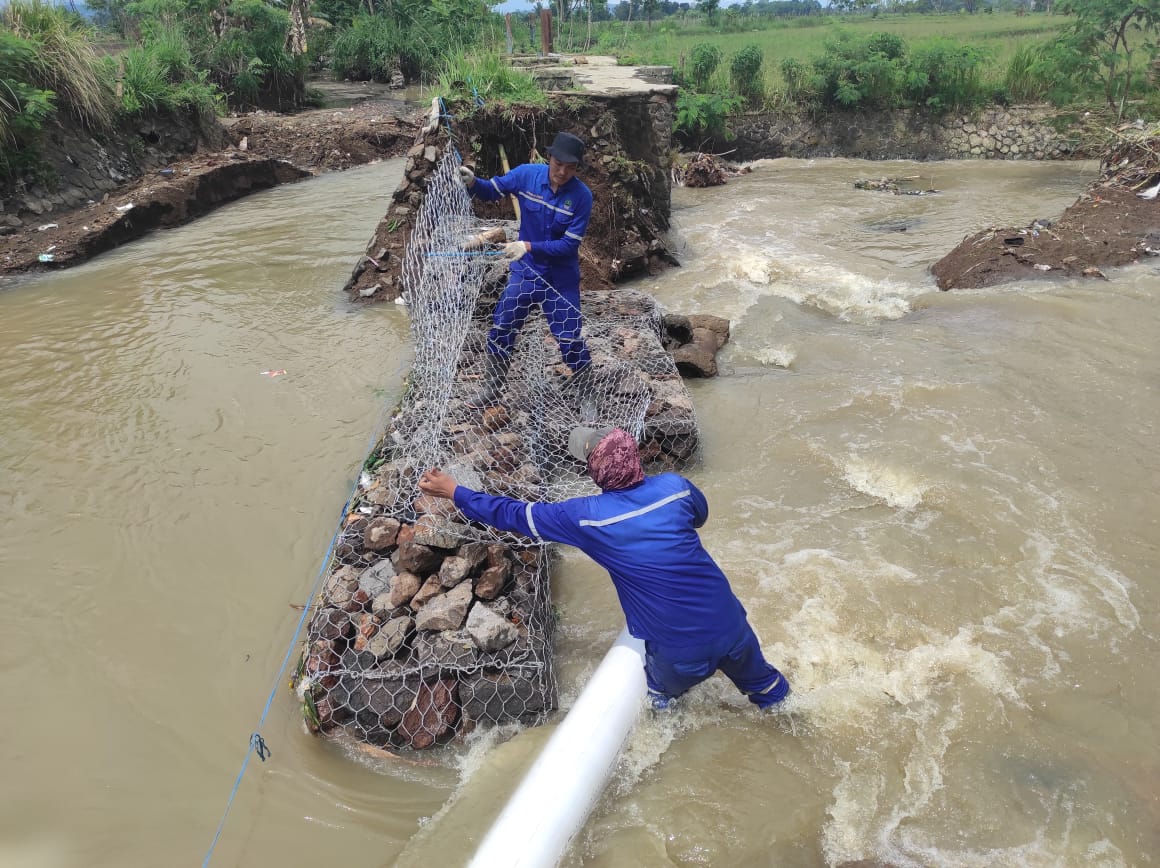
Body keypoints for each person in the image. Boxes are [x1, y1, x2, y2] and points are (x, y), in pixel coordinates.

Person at [417, 426, 791, 711]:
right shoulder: (675, 488)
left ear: (595, 475)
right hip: (734, 626)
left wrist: (455, 491)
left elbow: (513, 514)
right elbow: (700, 515)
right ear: (637, 459)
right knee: (773, 695)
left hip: (680, 652)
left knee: (661, 705)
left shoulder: (585, 518)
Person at [458, 131, 595, 408]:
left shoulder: (582, 197)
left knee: (569, 337)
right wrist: (472, 182)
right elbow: (491, 190)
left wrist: (528, 246)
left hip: (561, 279)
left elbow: (568, 247)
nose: (562, 172)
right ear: (549, 158)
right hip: (527, 273)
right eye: (558, 164)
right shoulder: (526, 175)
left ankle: (587, 393)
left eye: (570, 167)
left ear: (577, 168)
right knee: (502, 326)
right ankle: (492, 388)